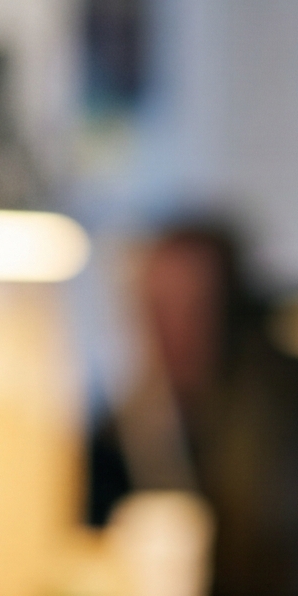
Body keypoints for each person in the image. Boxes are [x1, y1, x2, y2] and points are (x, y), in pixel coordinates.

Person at [84, 211, 268, 527]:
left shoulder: (273, 445)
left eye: (194, 309)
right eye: (158, 308)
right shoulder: (115, 444)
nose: (171, 331)